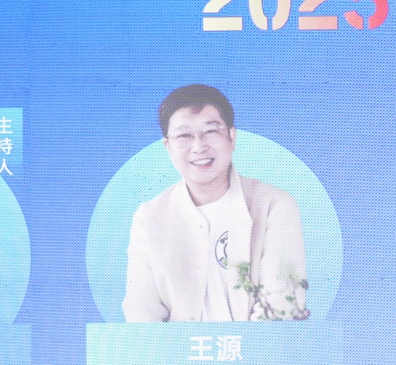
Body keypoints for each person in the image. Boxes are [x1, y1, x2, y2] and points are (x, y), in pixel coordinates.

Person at [124, 85, 308, 322]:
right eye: (184, 136)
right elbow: (141, 311)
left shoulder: (274, 205)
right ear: (167, 147)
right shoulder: (149, 217)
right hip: (176, 348)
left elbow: (281, 306)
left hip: (255, 346)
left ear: (232, 137)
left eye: (210, 132)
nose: (199, 147)